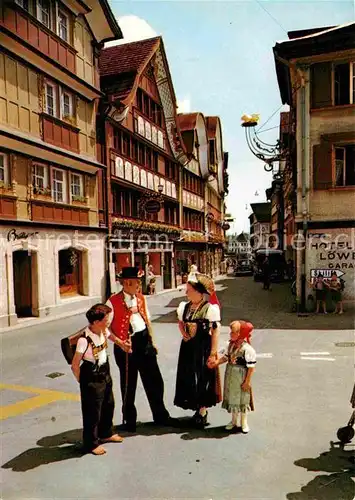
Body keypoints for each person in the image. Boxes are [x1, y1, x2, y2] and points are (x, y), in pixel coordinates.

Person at [106, 267, 175, 432]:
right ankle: (129, 421)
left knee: (155, 381)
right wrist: (119, 342)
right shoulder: (112, 302)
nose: (140, 285)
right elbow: (105, 328)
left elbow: (147, 321)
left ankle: (160, 415)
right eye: (137, 282)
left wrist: (152, 341)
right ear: (127, 282)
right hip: (126, 346)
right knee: (128, 384)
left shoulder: (141, 298)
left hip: (144, 343)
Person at [71, 304, 124, 455]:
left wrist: (122, 344)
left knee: (108, 403)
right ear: (95, 322)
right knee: (92, 412)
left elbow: (111, 336)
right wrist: (82, 381)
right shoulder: (84, 340)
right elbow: (75, 364)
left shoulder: (102, 331)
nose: (108, 322)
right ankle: (91, 444)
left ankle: (106, 433)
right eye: (106, 319)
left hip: (104, 370)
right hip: (91, 375)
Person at [174, 273, 222, 428]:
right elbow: (180, 322)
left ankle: (202, 410)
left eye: (189, 290)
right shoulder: (184, 307)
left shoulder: (210, 309)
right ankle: (195, 406)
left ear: (198, 292)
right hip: (188, 347)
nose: (186, 292)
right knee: (189, 376)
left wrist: (213, 353)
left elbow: (215, 331)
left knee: (203, 377)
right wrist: (184, 334)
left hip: (203, 347)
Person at [209, 320, 256, 434]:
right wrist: (216, 363)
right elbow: (225, 357)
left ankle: (244, 421)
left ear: (241, 334)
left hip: (241, 377)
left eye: (233, 332)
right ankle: (234, 420)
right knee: (233, 398)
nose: (230, 334)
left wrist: (247, 382)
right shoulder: (229, 345)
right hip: (231, 376)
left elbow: (251, 367)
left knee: (242, 398)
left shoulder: (247, 349)